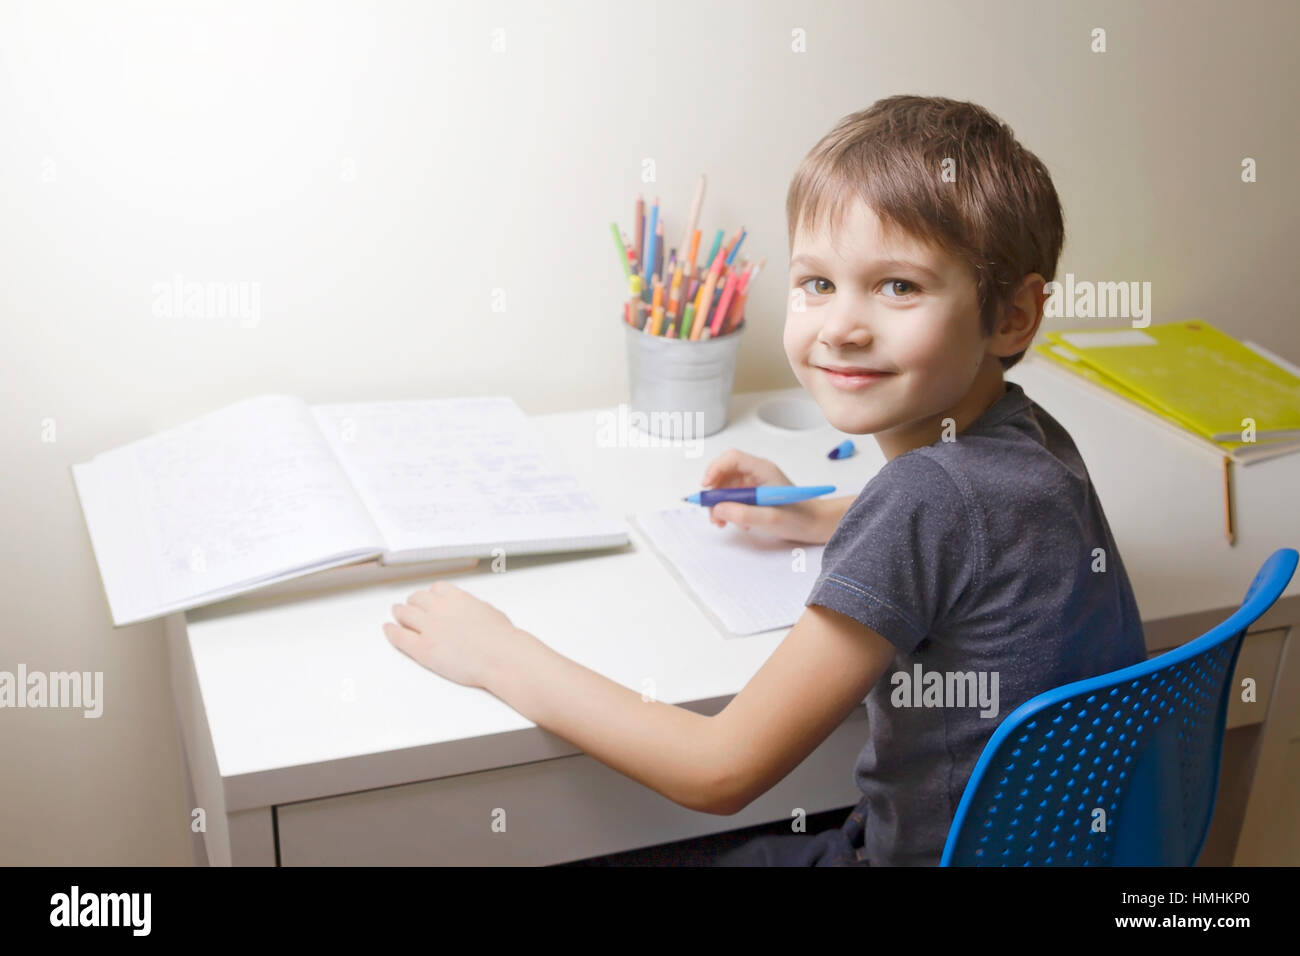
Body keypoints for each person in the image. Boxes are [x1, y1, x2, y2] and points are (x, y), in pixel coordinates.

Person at [383, 94, 1147, 866]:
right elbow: (969, 542)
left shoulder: (925, 501)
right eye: (818, 283)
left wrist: (497, 652)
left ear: (1013, 316)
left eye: (899, 287)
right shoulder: (1033, 442)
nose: (842, 325)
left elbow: (718, 770)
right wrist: (819, 517)